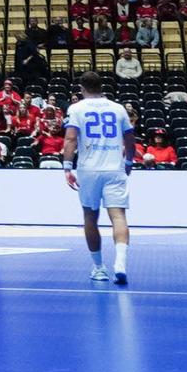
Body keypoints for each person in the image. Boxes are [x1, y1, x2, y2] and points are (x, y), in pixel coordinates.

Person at [63, 71, 136, 285]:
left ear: (82, 88)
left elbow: (70, 139)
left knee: (90, 217)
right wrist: (128, 163)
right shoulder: (118, 108)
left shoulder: (76, 108)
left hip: (89, 170)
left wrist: (67, 168)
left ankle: (98, 267)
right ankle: (120, 264)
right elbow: (130, 140)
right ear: (102, 86)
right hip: (115, 168)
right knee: (118, 217)